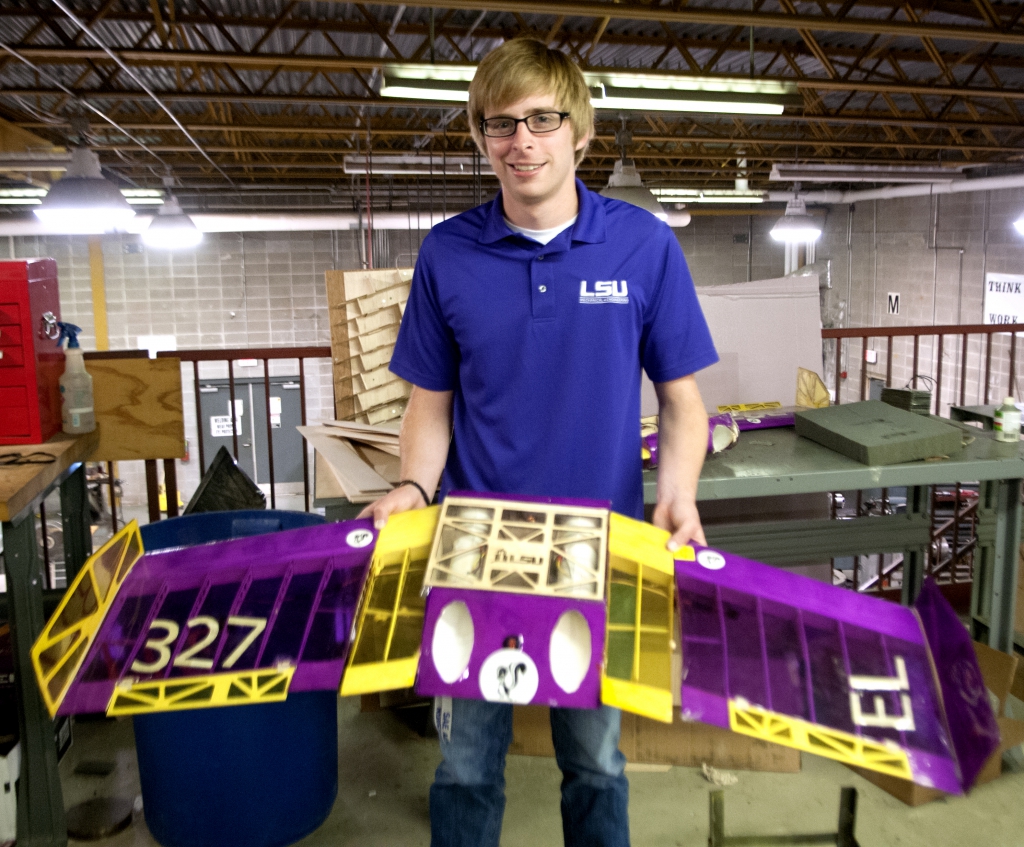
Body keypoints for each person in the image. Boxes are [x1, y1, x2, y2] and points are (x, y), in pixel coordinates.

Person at [358, 37, 718, 847]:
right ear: (482, 137)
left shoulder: (642, 246)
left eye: (542, 120)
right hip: (472, 553)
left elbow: (684, 403)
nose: (522, 140)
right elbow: (430, 402)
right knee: (466, 767)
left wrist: (678, 491)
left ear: (579, 131)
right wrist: (416, 488)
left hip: (600, 551)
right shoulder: (448, 253)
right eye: (500, 123)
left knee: (595, 763)